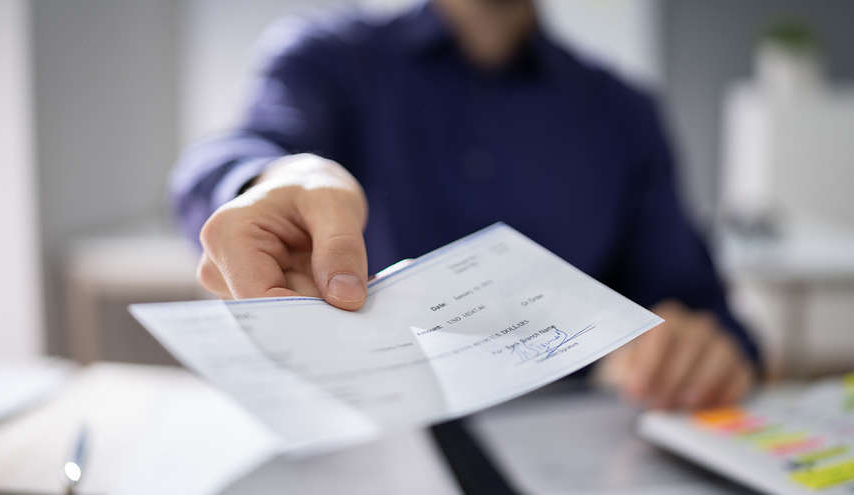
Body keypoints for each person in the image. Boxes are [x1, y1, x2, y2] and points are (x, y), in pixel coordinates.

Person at [169, 0, 758, 410]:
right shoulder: (328, 61)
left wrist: (705, 353)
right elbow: (229, 156)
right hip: (371, 443)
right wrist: (270, 179)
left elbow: (705, 311)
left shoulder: (624, 111)